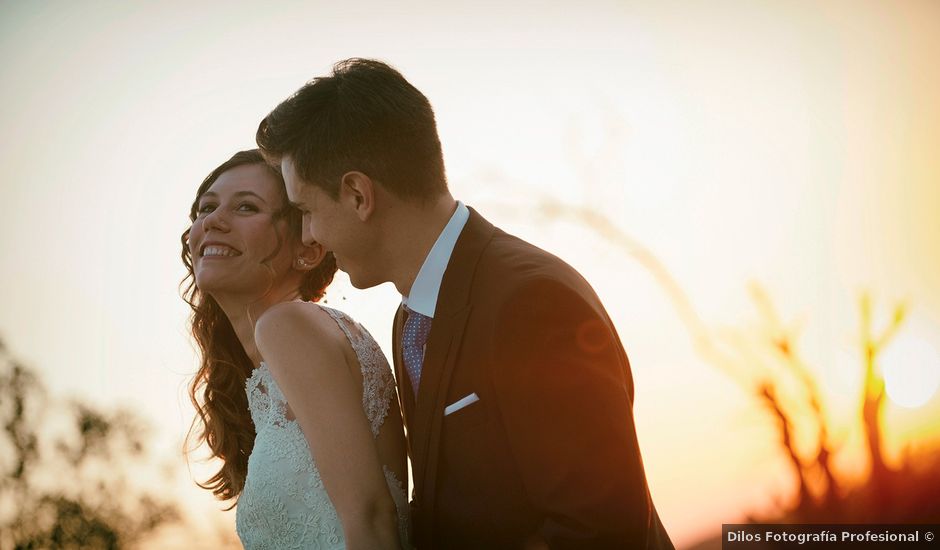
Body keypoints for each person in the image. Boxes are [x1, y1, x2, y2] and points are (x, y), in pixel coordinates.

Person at [256, 59, 675, 549]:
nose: (311, 236)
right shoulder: (410, 320)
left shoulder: (530, 301)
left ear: (356, 195)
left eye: (306, 211)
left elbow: (601, 530)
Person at [181, 149, 410, 549]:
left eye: (246, 207)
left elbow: (372, 517)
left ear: (307, 249)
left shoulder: (288, 326)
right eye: (206, 208)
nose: (212, 221)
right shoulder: (283, 352)